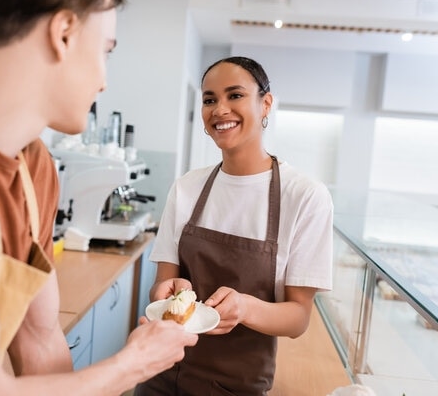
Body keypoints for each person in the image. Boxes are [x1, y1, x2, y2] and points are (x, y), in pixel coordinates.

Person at [0, 0, 197, 394]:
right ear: (62, 34)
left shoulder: (34, 167)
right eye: (106, 51)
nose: (104, 80)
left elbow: (39, 340)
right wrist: (130, 365)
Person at [134, 56, 333, 395]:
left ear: (265, 103)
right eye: (209, 99)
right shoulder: (186, 188)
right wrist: (169, 294)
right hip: (159, 374)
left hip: (235, 386)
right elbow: (160, 287)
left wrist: (245, 308)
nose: (219, 109)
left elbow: (299, 318)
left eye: (235, 95)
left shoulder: (304, 196)